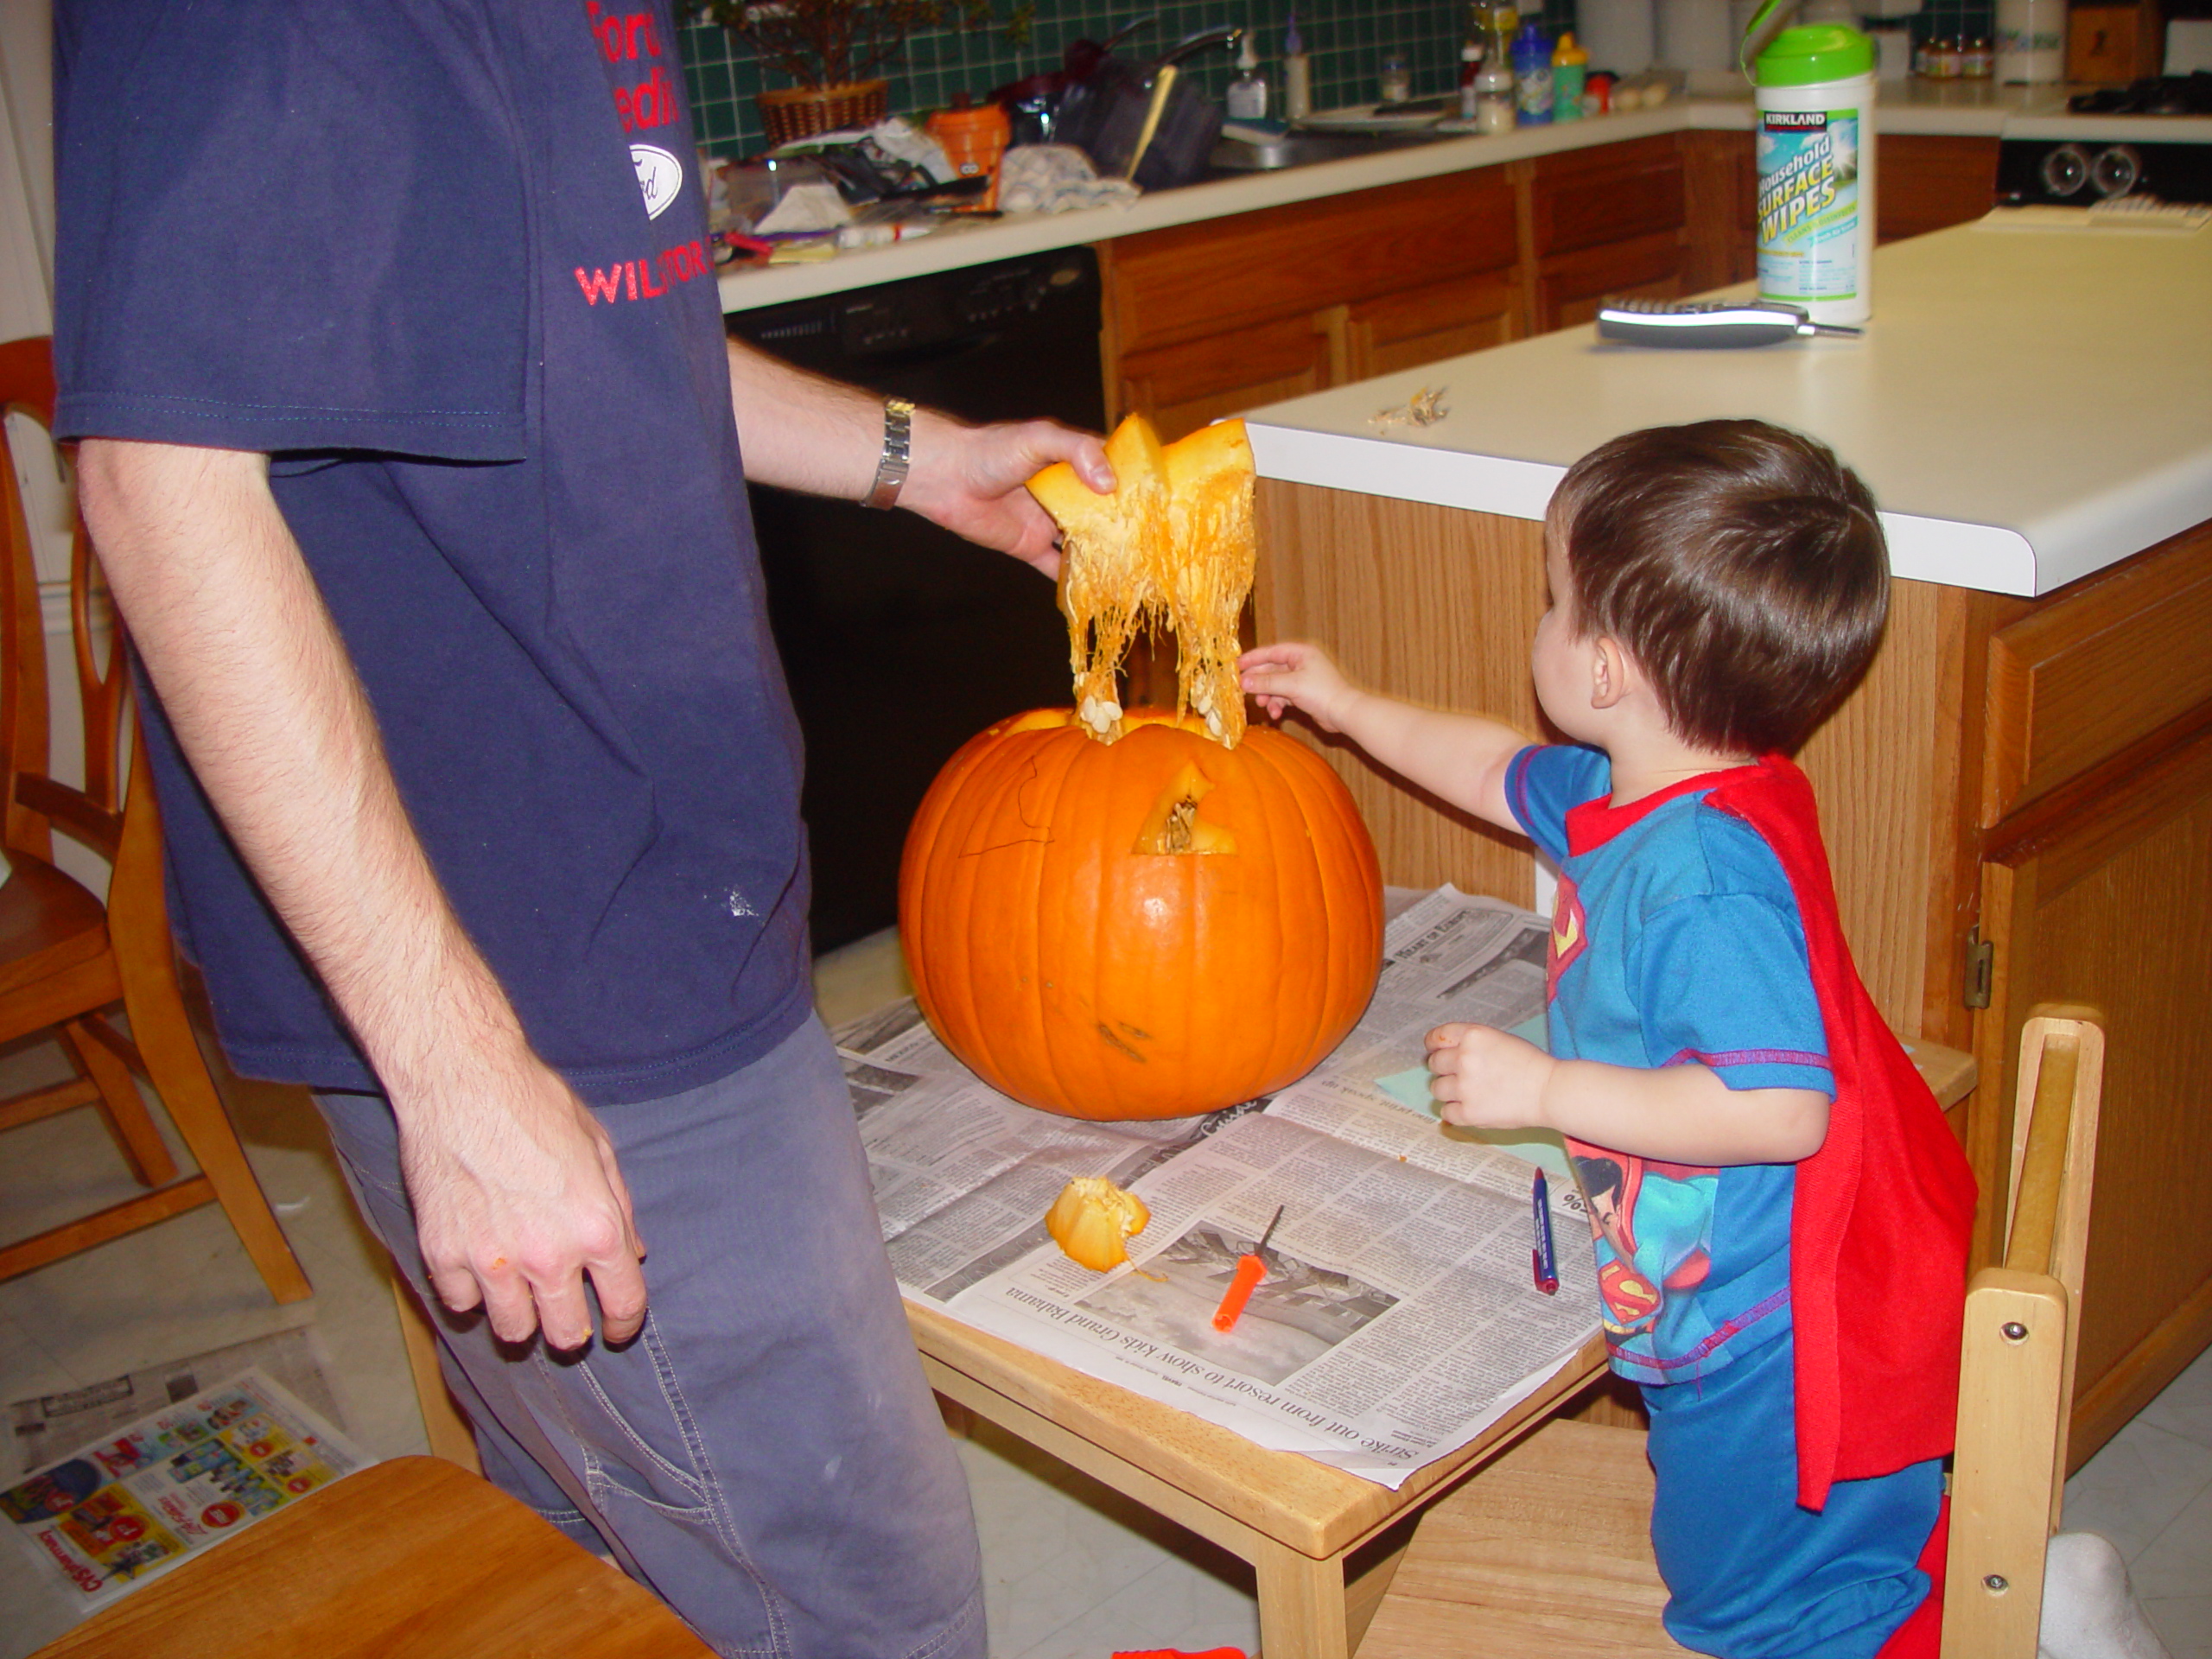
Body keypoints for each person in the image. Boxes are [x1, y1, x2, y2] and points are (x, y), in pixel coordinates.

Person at [50, 3, 1114, 1655]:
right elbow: (158, 484)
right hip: (531, 959)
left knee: (595, 1538)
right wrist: (457, 1067)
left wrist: (919, 457)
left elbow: (602, 321)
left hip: (679, 870)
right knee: (858, 1594)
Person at [1239, 420, 1977, 1659]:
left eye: (1554, 598)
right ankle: (2012, 1590)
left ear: (1603, 671)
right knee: (1772, 1543)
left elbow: (1776, 1112)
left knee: (1750, 1605)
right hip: (1727, 1275)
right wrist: (1349, 705)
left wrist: (1548, 1085)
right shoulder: (1650, 786)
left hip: (1774, 1318)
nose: (1540, 620)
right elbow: (1489, 770)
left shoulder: (1702, 875)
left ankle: (1973, 1621)